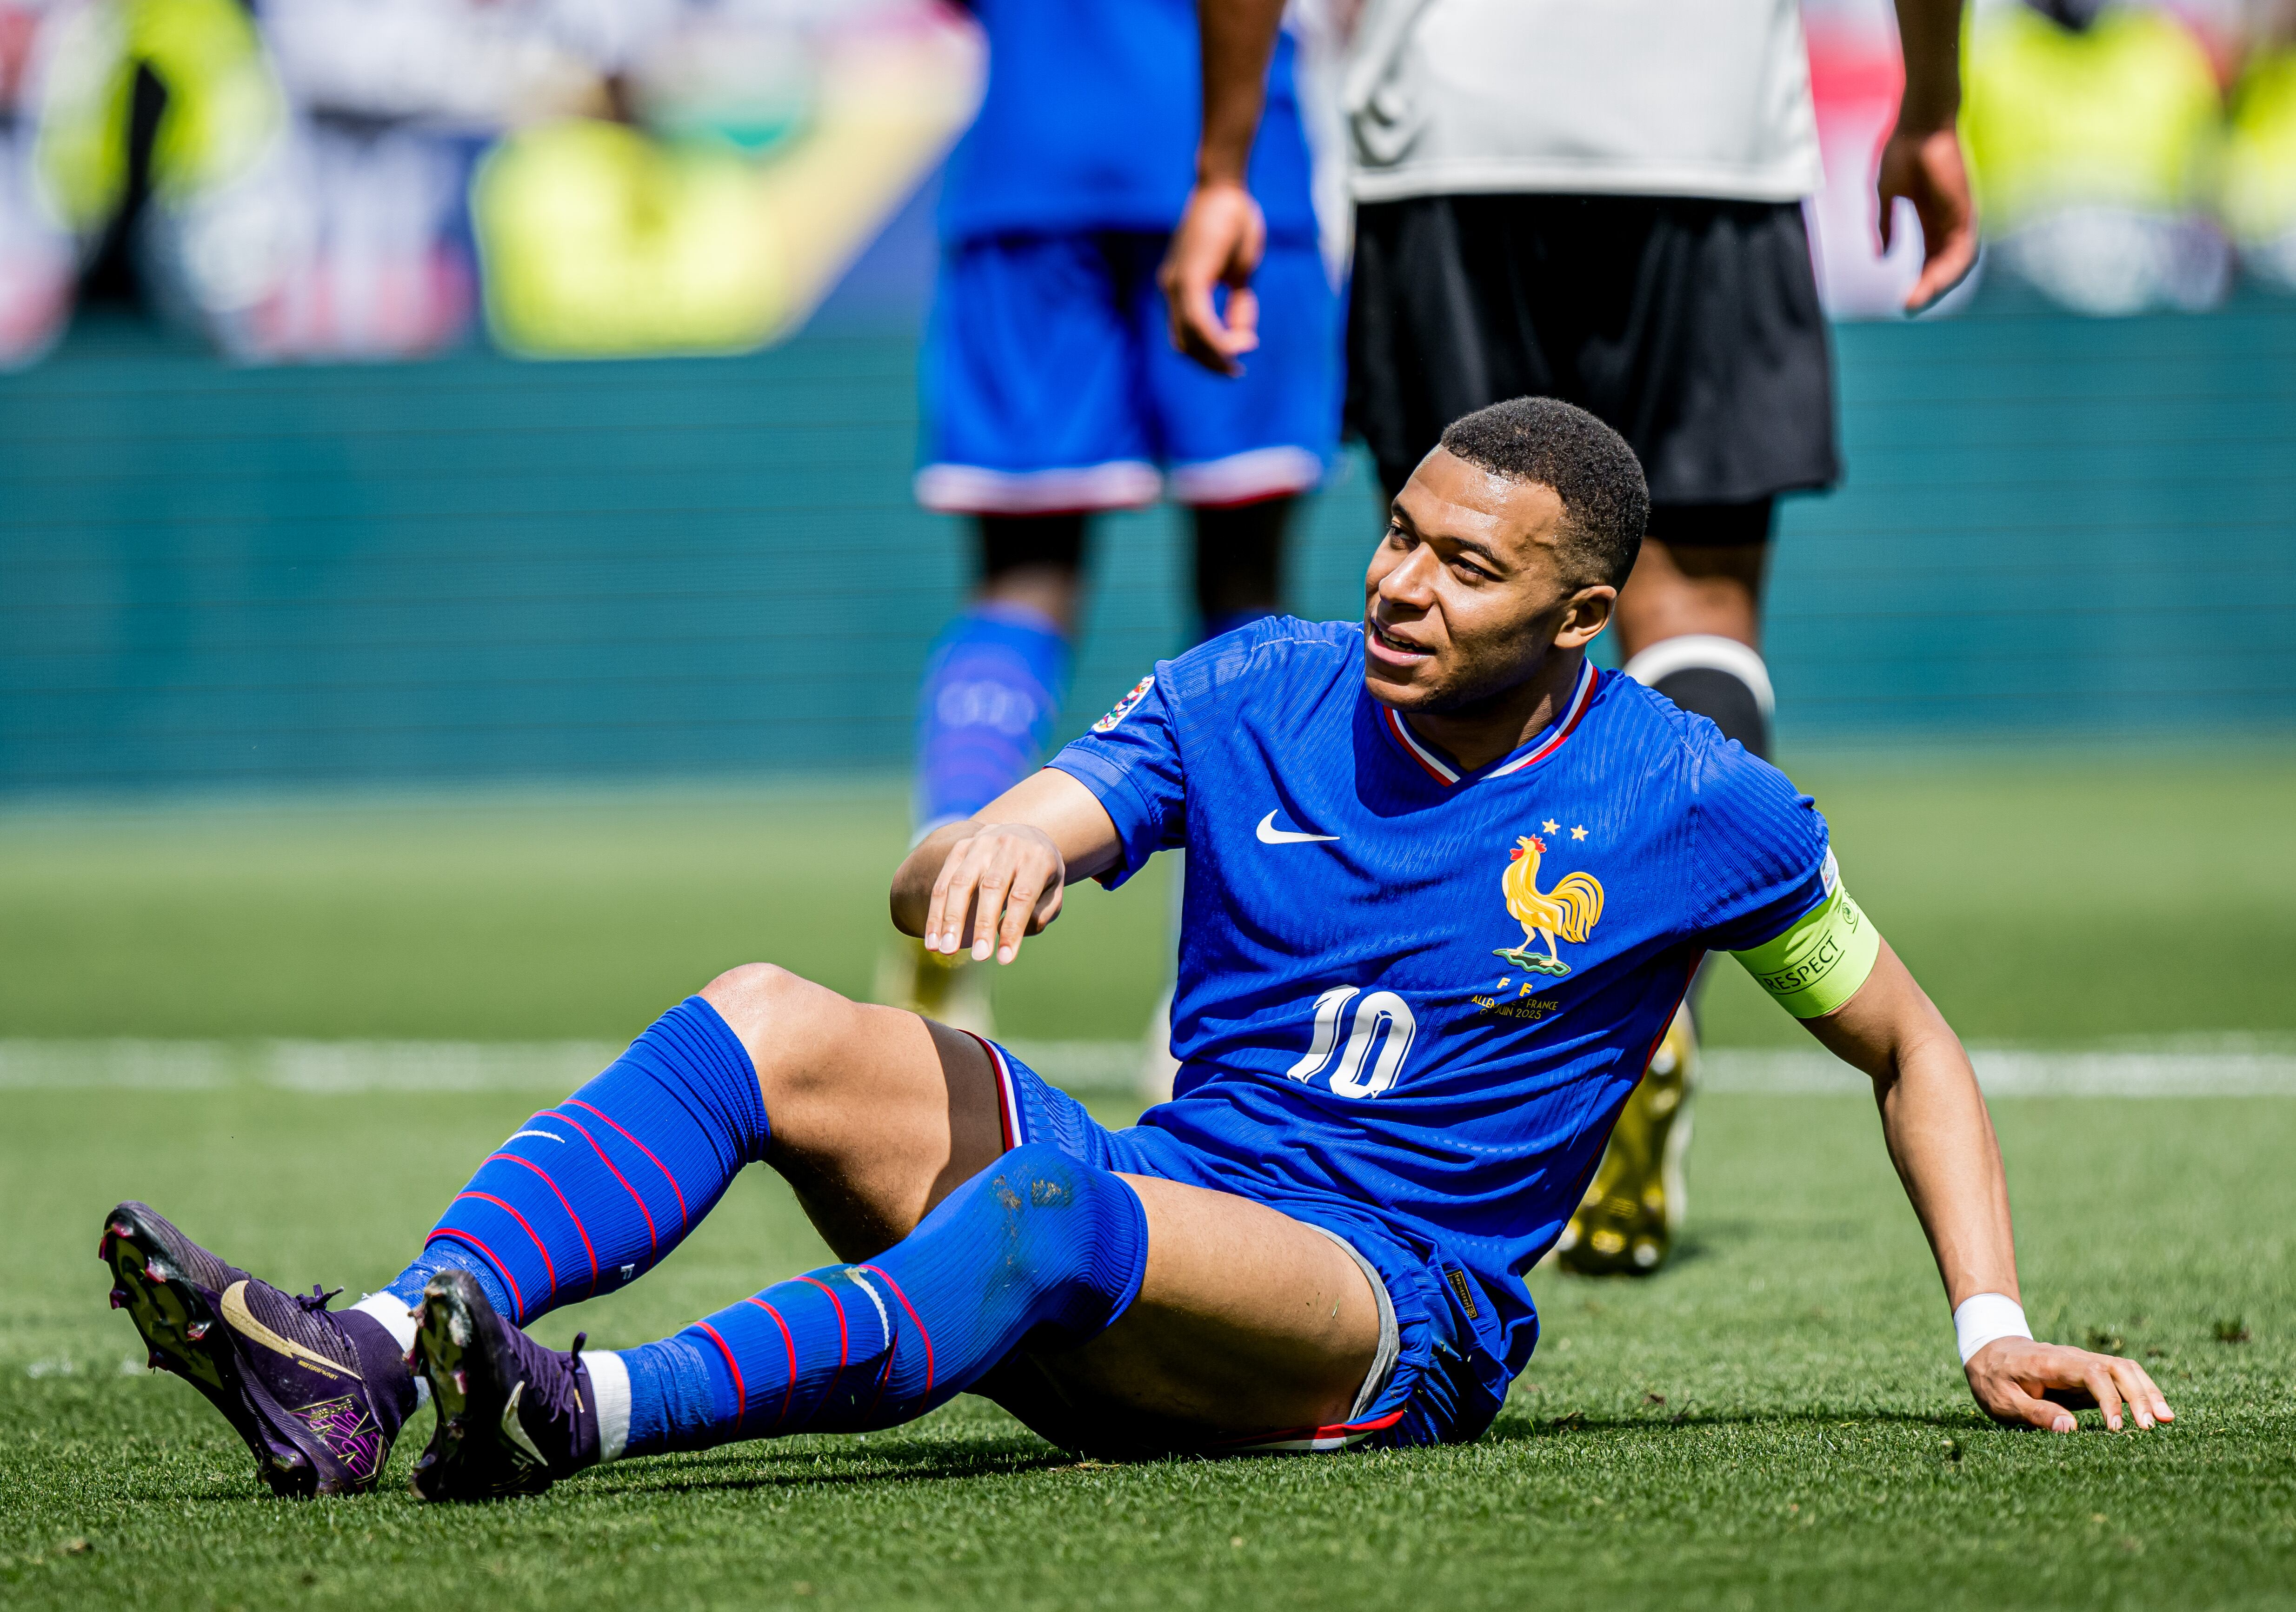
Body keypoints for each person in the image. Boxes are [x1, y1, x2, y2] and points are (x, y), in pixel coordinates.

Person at [100, 400, 2164, 1497]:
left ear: (1582, 616)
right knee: (766, 1019)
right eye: (1397, 529)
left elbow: (1908, 1044)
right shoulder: (1252, 682)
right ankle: (368, 1358)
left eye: (1468, 562)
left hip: (1381, 1311)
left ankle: (587, 1413)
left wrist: (1985, 1327)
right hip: (1164, 1199)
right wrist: (982, 838)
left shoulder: (1695, 800)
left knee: (1060, 1204)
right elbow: (967, 872)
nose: (1401, 582)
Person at [1158, 0, 1981, 1274]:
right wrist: (1929, 108)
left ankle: (1456, 1054)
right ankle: (1649, 1004)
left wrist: (1223, 169)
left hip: (1449, 125)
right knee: (1695, 604)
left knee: (1465, 547)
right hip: (1702, 129)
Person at [889, 0, 1339, 1030]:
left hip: (1033, 164)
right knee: (1245, 591)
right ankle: (1240, 963)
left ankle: (950, 875)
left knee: (1020, 581)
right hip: (1233, 168)